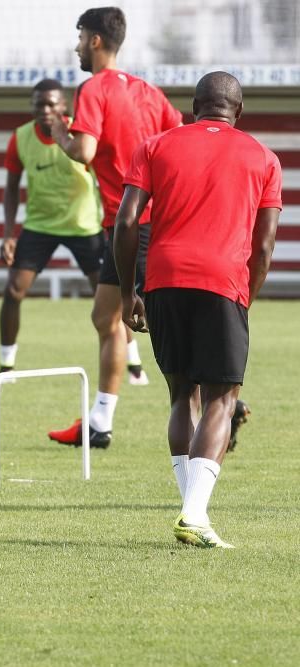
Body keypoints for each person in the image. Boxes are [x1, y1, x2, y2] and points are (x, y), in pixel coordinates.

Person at [115, 71, 281, 548]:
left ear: (193, 107)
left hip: (163, 279)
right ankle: (194, 515)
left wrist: (129, 292)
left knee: (181, 395)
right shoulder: (264, 158)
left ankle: (193, 510)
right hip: (223, 282)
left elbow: (126, 222)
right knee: (222, 400)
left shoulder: (155, 146)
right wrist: (245, 294)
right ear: (239, 112)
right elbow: (264, 245)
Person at [46, 7, 183, 448]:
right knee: (109, 316)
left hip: (131, 223)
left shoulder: (94, 88)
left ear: (97, 41)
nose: (77, 46)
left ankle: (216, 398)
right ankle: (99, 422)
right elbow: (177, 136)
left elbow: (84, 149)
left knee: (146, 321)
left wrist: (58, 133)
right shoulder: (147, 90)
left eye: (80, 36)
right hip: (154, 221)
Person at [0, 78, 104, 373]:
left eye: (51, 104)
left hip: (84, 226)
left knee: (107, 295)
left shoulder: (81, 132)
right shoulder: (20, 137)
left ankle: (131, 359)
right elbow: (10, 189)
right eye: (39, 104)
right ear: (31, 106)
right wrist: (8, 234)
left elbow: (105, 177)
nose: (45, 109)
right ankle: (6, 364)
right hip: (40, 225)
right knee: (13, 291)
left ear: (64, 106)